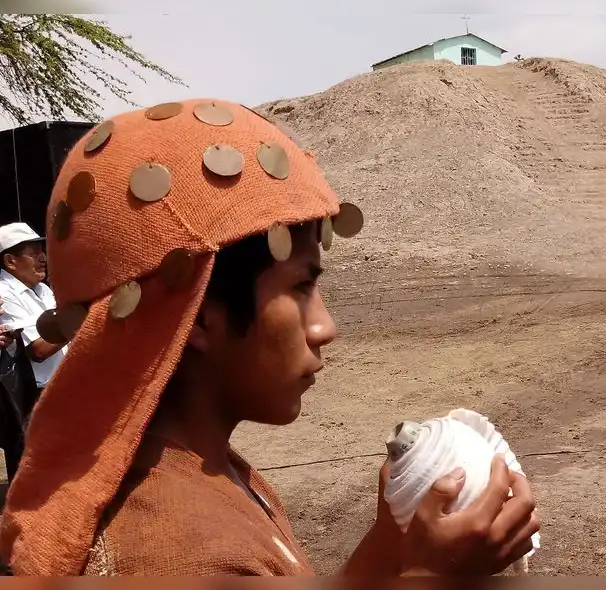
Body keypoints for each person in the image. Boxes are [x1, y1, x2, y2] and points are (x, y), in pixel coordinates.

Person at [0, 99, 539, 576]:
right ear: (201, 317)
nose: (326, 327)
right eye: (302, 286)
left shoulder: (204, 468)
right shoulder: (181, 552)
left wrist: (389, 547)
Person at [0, 223, 66, 392]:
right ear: (10, 261)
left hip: (65, 386)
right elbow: (38, 350)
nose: (43, 257)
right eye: (34, 253)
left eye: (42, 251)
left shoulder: (42, 288)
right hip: (37, 395)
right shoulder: (3, 293)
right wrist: (80, 319)